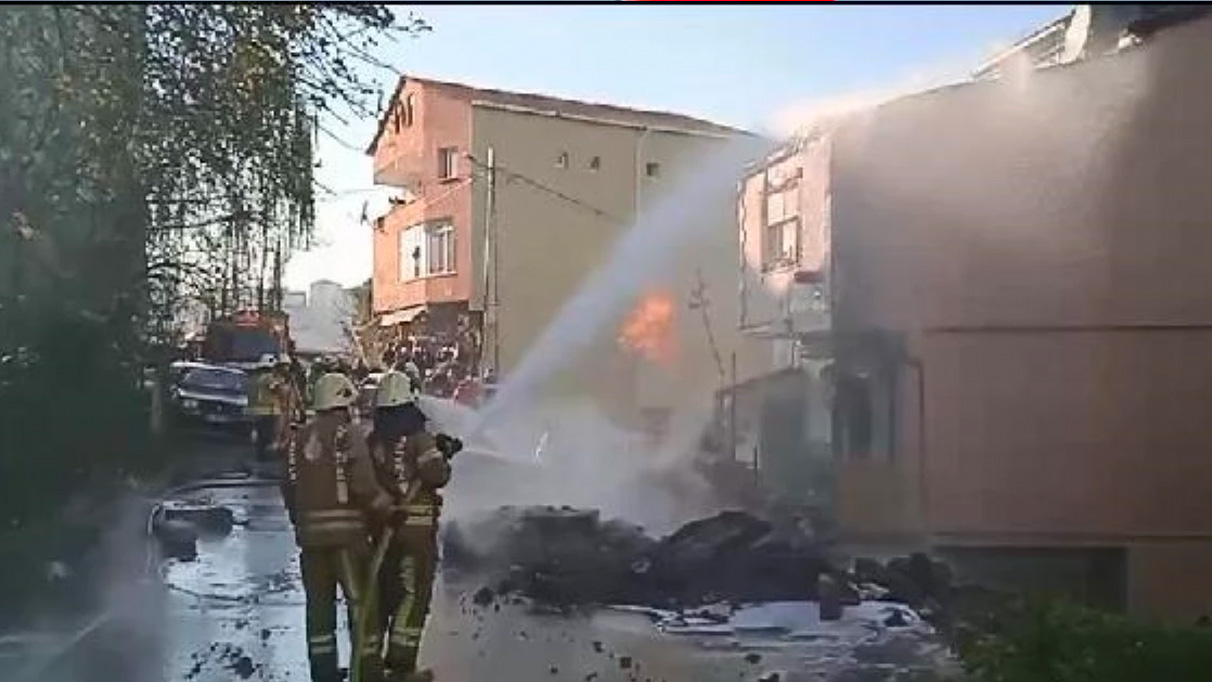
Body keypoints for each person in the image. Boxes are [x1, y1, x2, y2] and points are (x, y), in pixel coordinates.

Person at [282, 372, 394, 682]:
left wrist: (301, 520)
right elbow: (362, 484)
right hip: (348, 539)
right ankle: (367, 671)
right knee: (361, 605)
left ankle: (324, 672)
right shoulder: (348, 434)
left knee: (319, 610)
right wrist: (387, 510)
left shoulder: (297, 439)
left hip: (310, 542)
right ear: (342, 402)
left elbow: (288, 485)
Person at [366, 371, 461, 682]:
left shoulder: (374, 441)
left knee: (385, 593)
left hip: (384, 529)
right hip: (416, 532)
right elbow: (437, 475)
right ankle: (401, 665)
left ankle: (372, 661)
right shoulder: (419, 438)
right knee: (413, 594)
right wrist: (443, 455)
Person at [248, 354, 286, 463]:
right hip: (268, 411)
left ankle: (260, 456)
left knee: (260, 435)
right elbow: (276, 389)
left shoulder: (255, 378)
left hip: (256, 411)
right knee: (268, 434)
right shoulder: (269, 378)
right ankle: (266, 458)